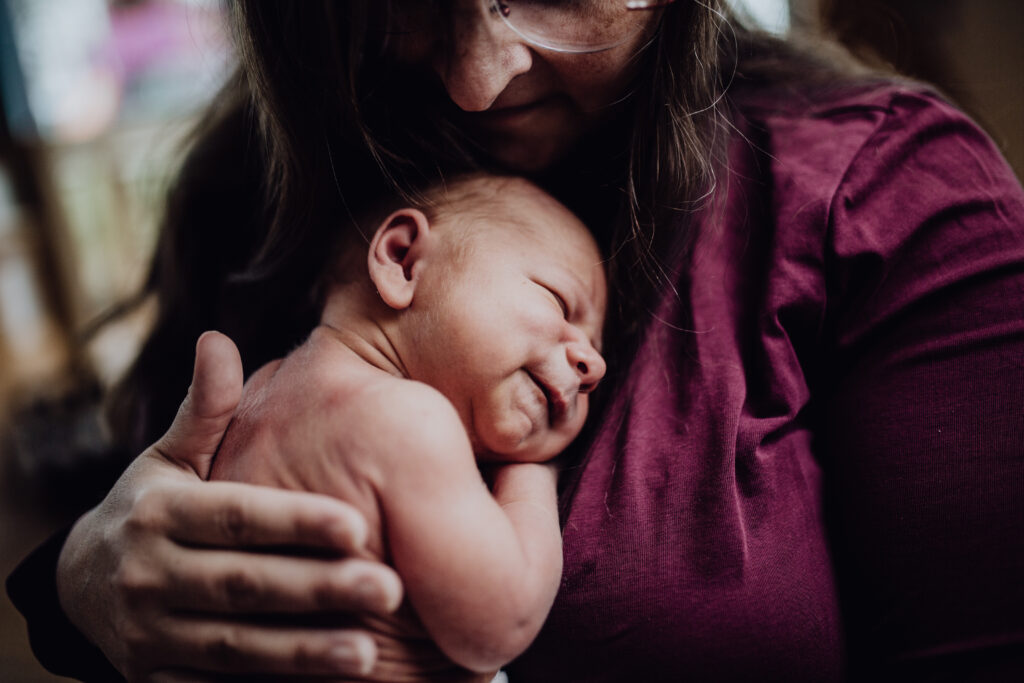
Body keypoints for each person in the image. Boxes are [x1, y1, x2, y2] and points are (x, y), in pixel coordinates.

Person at [7, 1, 1024, 681]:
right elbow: (158, 489)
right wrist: (80, 582)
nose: (475, 81)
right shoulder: (262, 175)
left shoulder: (889, 200)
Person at [208, 173, 607, 676]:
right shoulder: (412, 420)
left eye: (594, 346)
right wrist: (535, 475)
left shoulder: (258, 392)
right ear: (403, 259)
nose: (595, 366)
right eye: (560, 302)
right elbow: (503, 622)